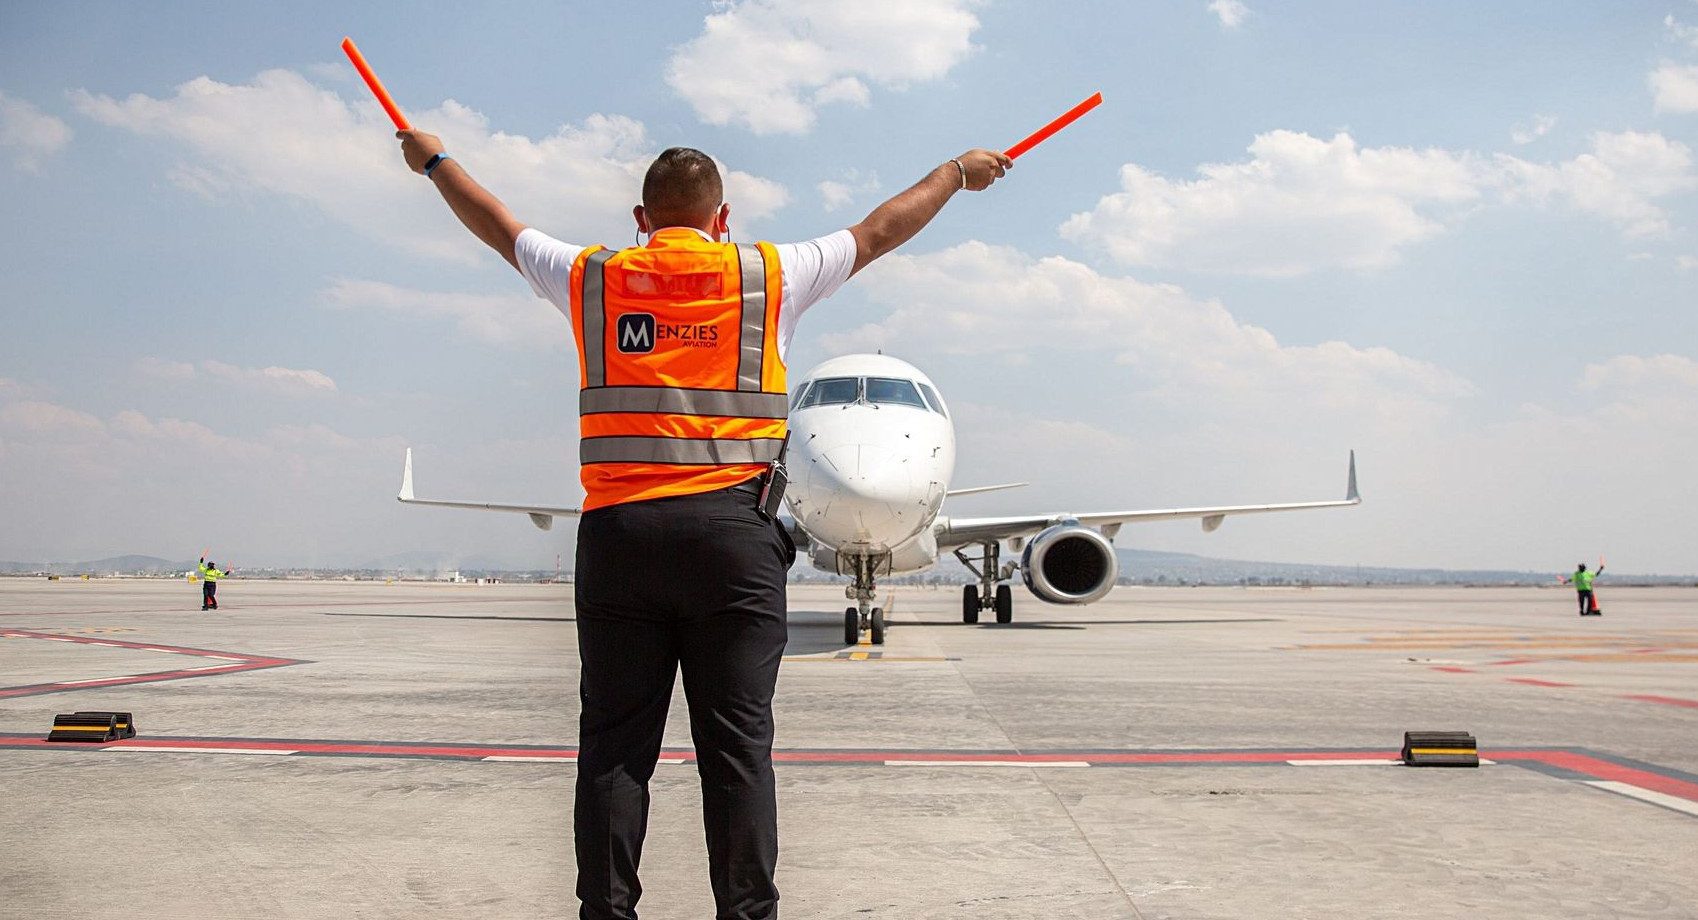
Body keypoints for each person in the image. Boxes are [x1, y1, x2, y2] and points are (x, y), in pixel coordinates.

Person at [394, 128, 1009, 919]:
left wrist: (434, 162)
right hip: (731, 541)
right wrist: (956, 172)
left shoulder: (591, 277)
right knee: (738, 751)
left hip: (621, 536)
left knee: (615, 750)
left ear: (641, 218)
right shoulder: (771, 274)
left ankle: (606, 912)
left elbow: (497, 223)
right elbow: (879, 230)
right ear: (723, 218)